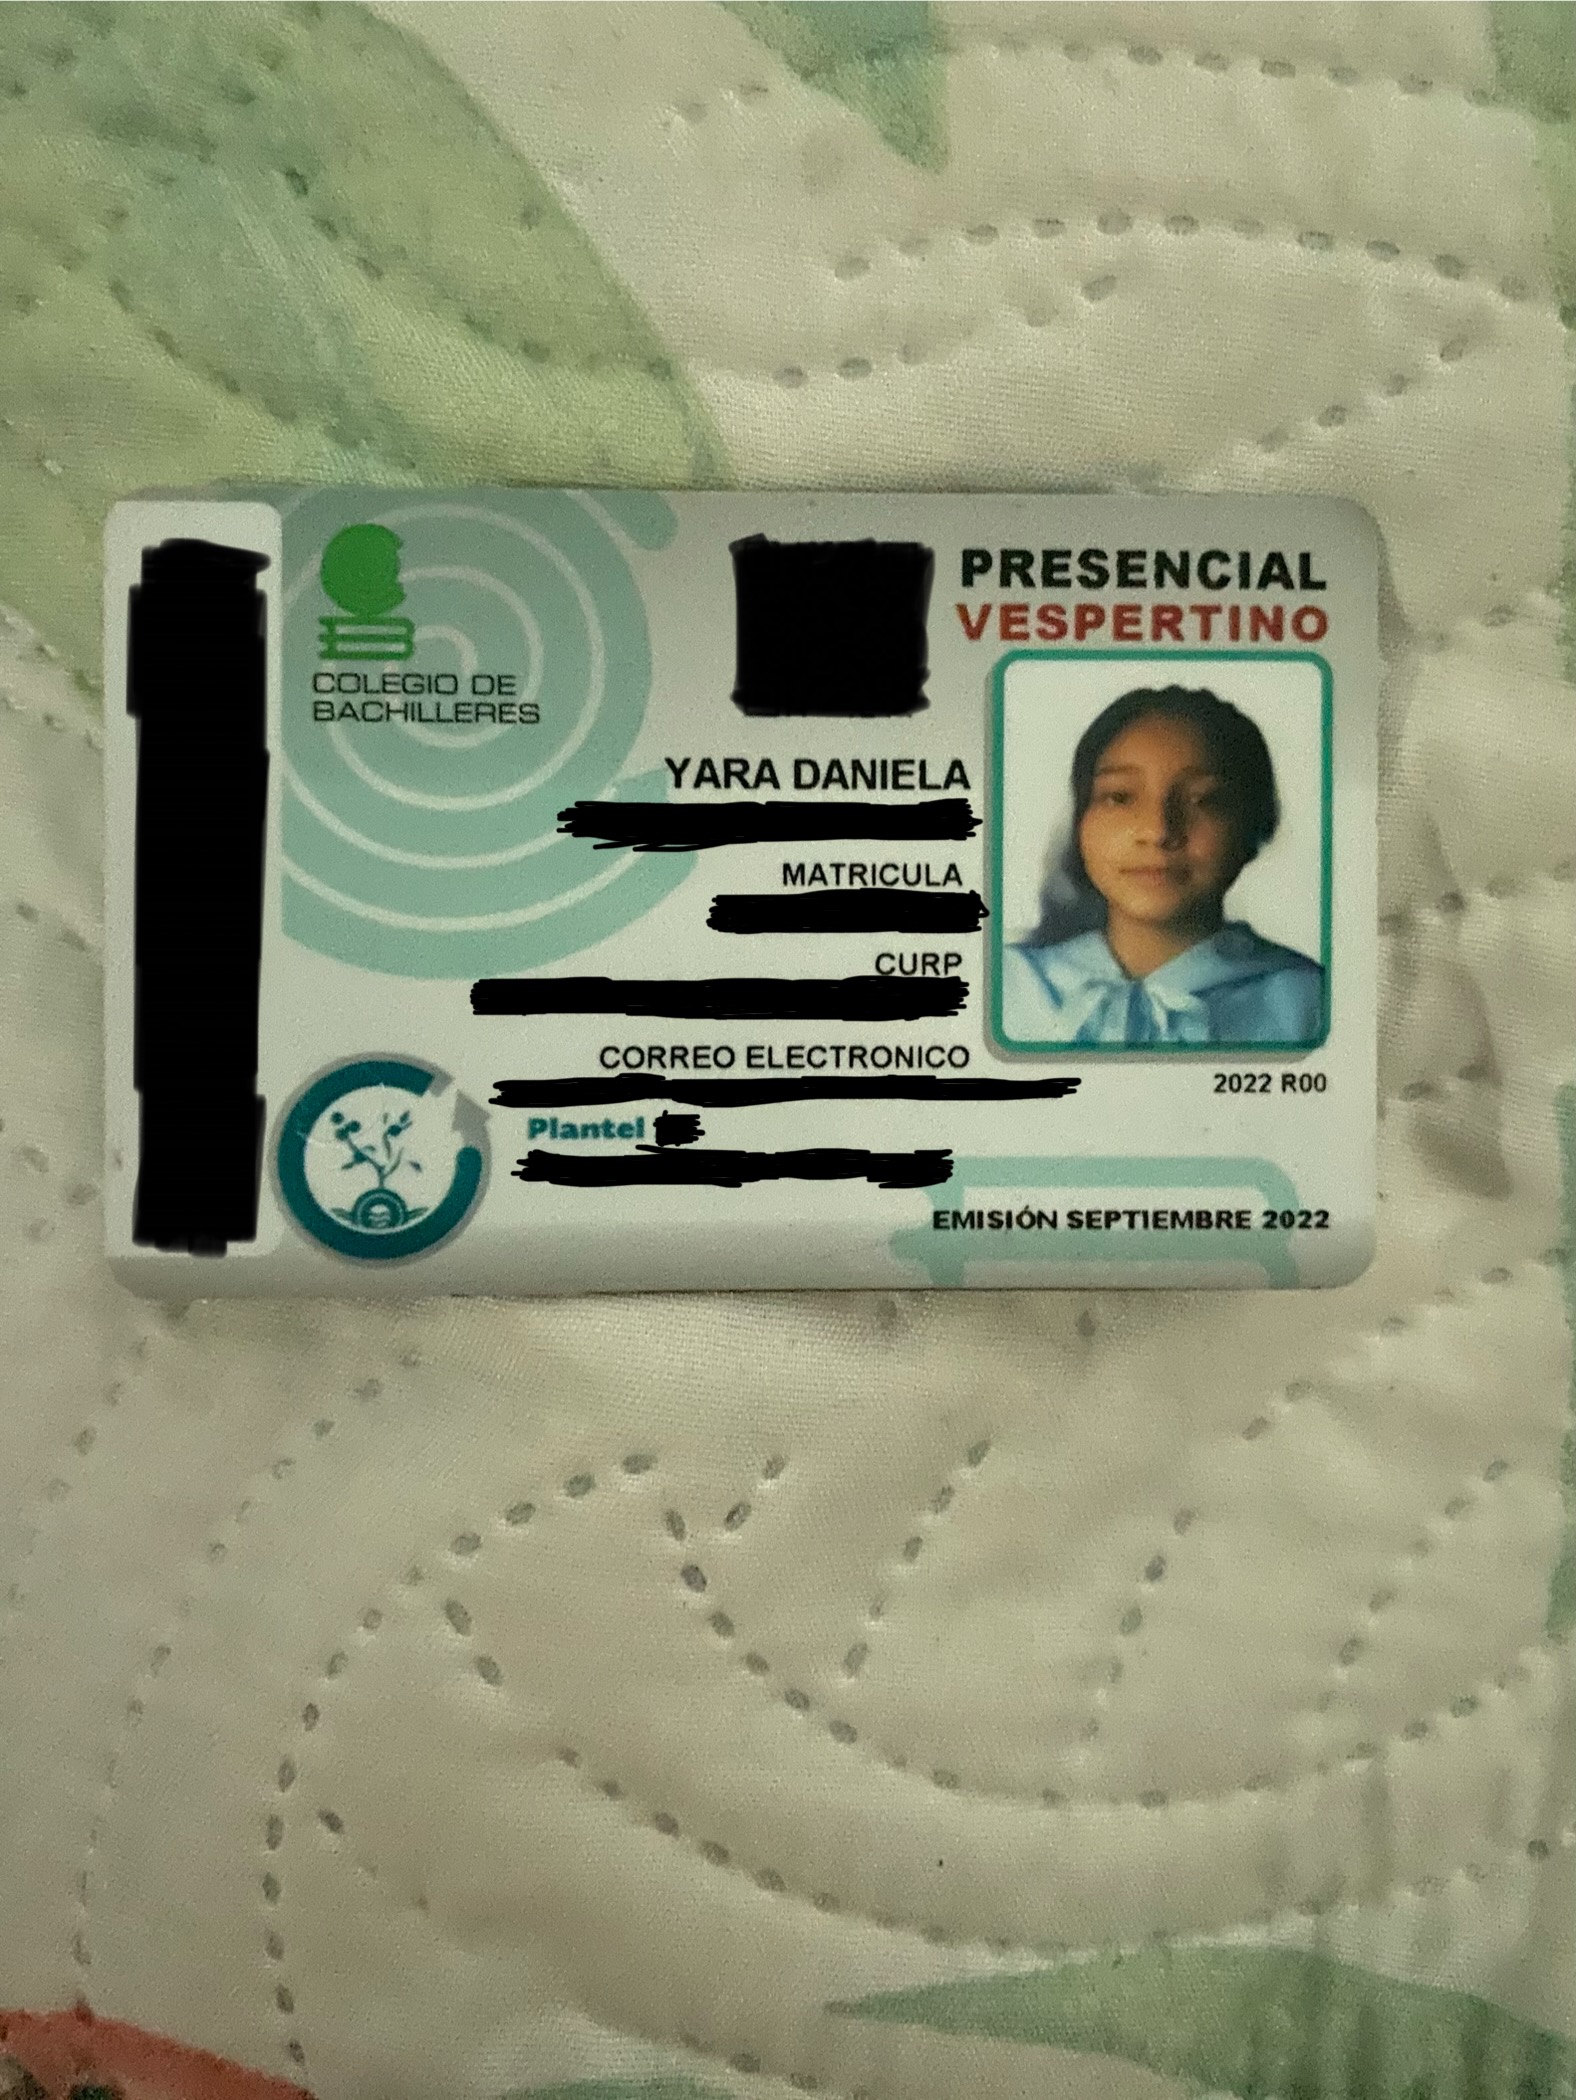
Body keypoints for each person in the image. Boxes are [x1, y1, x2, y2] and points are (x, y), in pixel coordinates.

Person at [1001, 685, 1324, 1047]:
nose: (1158, 831)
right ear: (1080, 822)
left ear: (1255, 825)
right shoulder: (1004, 986)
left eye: (1203, 800)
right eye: (1120, 797)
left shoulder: (1310, 1005)